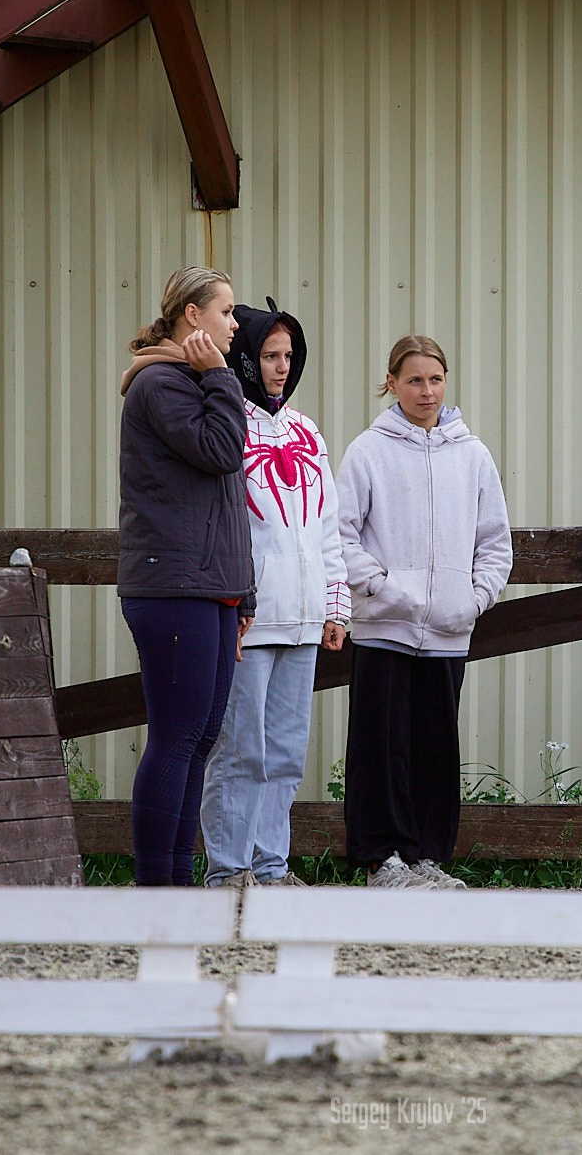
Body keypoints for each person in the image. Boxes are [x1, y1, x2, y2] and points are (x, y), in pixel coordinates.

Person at [336, 335, 512, 890]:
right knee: (379, 747)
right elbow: (339, 534)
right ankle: (379, 859)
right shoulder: (368, 450)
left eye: (435, 379)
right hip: (383, 626)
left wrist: (473, 599)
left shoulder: (473, 455)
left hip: (447, 633)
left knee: (436, 746)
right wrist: (385, 589)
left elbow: (495, 543)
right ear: (391, 383)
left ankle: (427, 858)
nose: (426, 391)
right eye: (413, 380)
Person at [198, 298, 350, 888]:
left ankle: (271, 864)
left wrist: (335, 606)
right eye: (268, 355)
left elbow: (328, 528)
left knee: (285, 754)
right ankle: (229, 869)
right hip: (249, 620)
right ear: (243, 357)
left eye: (289, 356)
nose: (281, 367)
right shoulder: (226, 425)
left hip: (305, 618)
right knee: (241, 752)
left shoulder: (307, 431)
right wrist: (233, 604)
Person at [117, 265, 253, 887]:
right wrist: (222, 380)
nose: (234, 324)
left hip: (212, 587)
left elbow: (227, 499)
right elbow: (224, 451)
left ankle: (177, 882)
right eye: (225, 311)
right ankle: (154, 887)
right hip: (172, 587)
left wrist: (243, 593)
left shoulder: (194, 382)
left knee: (200, 738)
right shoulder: (162, 385)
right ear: (192, 315)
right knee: (176, 737)